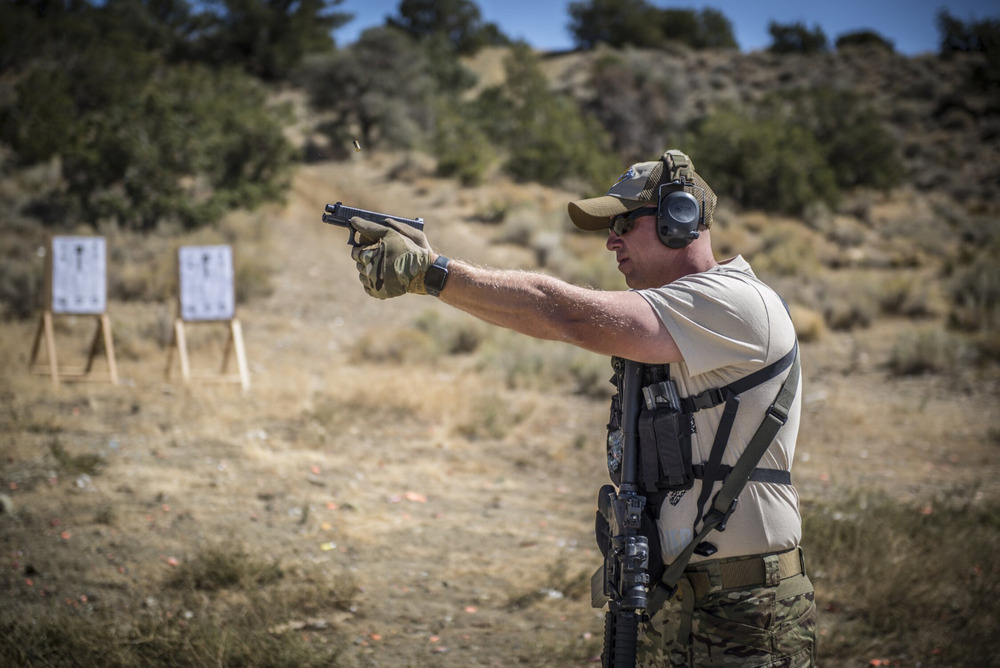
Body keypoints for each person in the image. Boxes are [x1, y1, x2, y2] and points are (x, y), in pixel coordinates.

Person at [346, 149, 816, 666]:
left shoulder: (736, 302)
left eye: (624, 223)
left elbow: (567, 316)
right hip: (670, 597)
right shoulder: (684, 313)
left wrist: (434, 274)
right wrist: (431, 275)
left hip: (744, 607)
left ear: (679, 218)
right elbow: (549, 315)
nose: (612, 240)